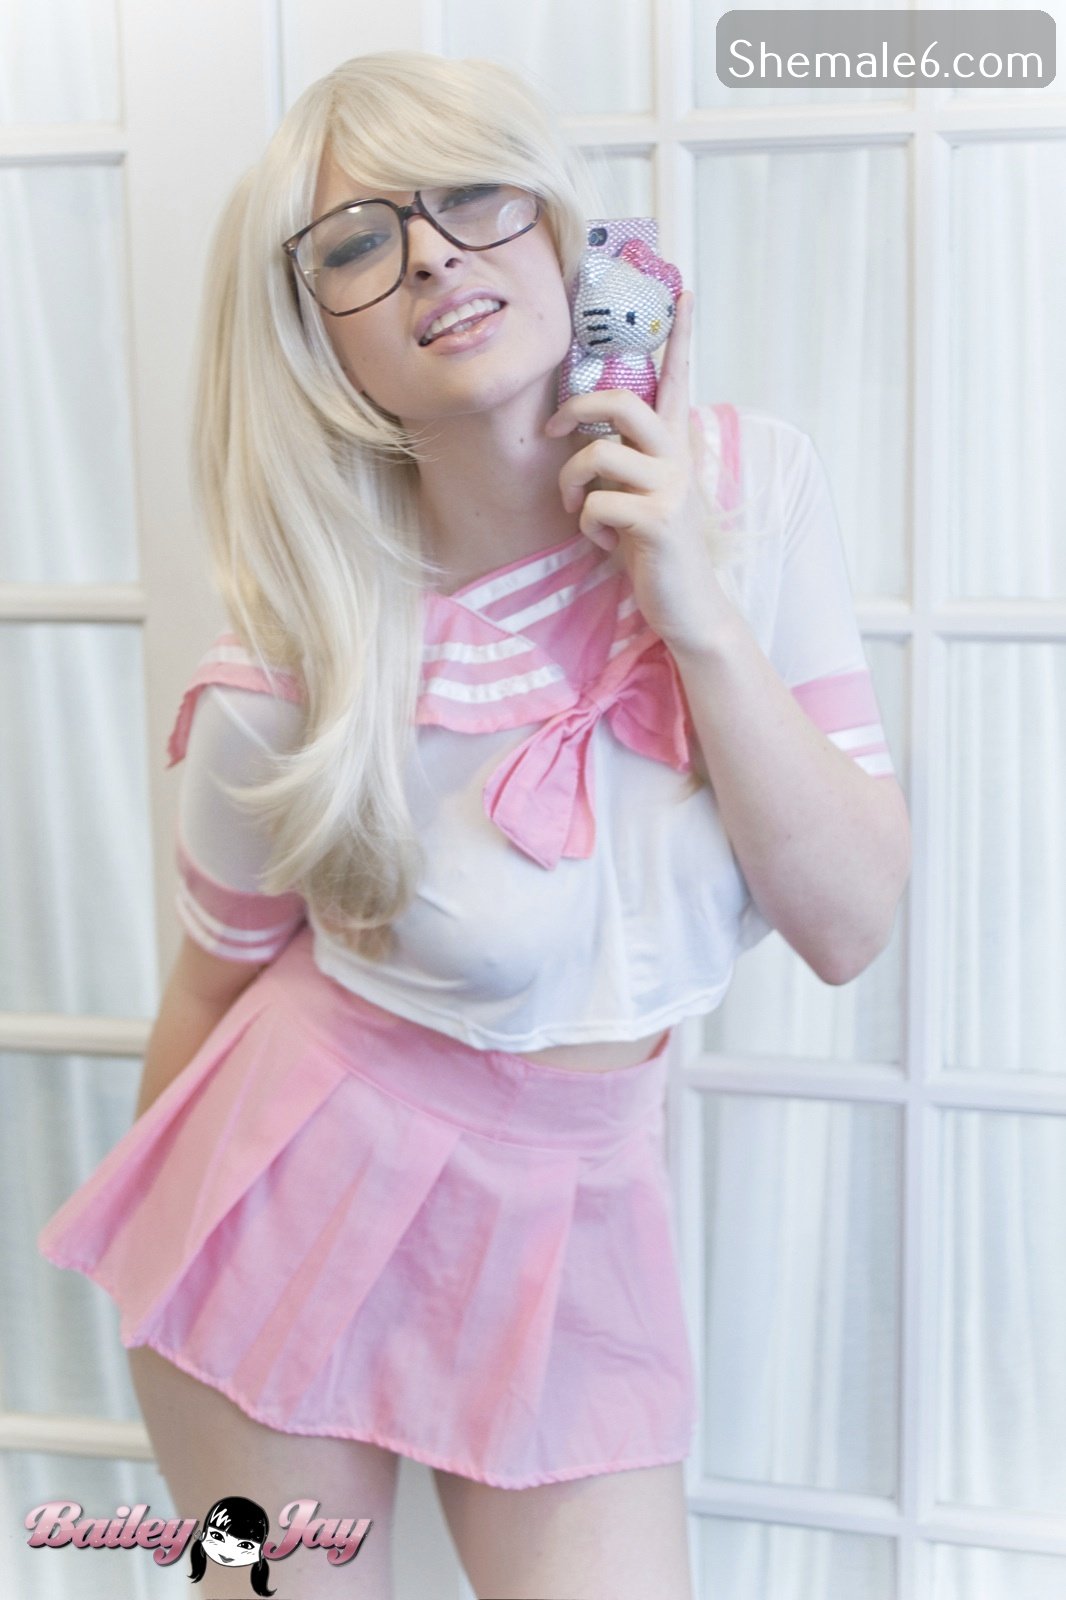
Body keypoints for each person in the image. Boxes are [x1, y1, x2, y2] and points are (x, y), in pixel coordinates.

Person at [37, 49, 910, 1600]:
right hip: (286, 1203)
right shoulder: (296, 666)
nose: (434, 253)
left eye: (472, 195)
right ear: (314, 335)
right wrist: (164, 1254)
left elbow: (849, 927)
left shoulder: (750, 496)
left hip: (583, 1216)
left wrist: (692, 608)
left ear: (562, 226)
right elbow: (213, 988)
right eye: (358, 243)